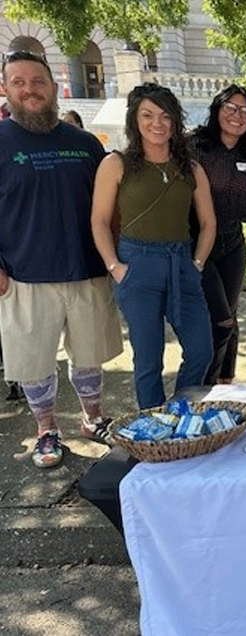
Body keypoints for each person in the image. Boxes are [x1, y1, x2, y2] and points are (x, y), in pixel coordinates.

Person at [0, 50, 123, 468]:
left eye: (37, 81)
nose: (30, 90)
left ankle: (93, 419)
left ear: (53, 87)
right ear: (6, 89)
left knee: (88, 353)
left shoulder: (86, 144)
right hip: (24, 273)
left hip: (86, 268)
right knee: (34, 359)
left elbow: (108, 209)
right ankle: (46, 429)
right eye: (19, 82)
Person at [91, 83, 216, 409]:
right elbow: (99, 221)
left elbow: (208, 223)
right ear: (135, 120)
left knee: (202, 349)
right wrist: (115, 267)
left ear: (175, 121)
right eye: (147, 115)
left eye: (164, 116)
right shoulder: (115, 165)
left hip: (182, 263)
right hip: (137, 264)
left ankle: (180, 413)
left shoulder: (191, 169)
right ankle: (154, 426)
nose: (157, 123)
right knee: (148, 359)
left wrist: (198, 263)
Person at [189, 84, 246, 384]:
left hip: (233, 243)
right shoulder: (194, 146)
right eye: (230, 107)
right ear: (217, 109)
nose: (237, 115)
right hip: (198, 242)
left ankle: (226, 382)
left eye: (245, 110)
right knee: (220, 320)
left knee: (231, 315)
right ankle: (205, 389)